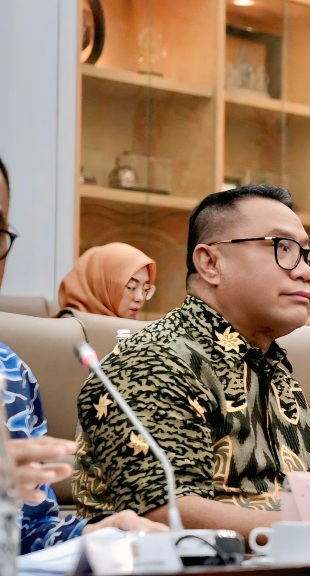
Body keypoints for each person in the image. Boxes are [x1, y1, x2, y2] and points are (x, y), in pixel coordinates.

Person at [75, 185, 310, 539]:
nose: (305, 273)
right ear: (210, 263)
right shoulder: (154, 361)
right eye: (283, 248)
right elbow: (163, 513)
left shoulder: (275, 369)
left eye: (306, 255)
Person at [0, 156, 163, 554]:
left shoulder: (12, 372)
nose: (138, 298)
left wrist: (100, 532)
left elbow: (31, 532)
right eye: (129, 285)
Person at [56, 242, 157, 320]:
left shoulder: (134, 329)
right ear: (101, 286)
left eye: (146, 289)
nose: (140, 298)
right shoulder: (71, 328)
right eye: (131, 287)